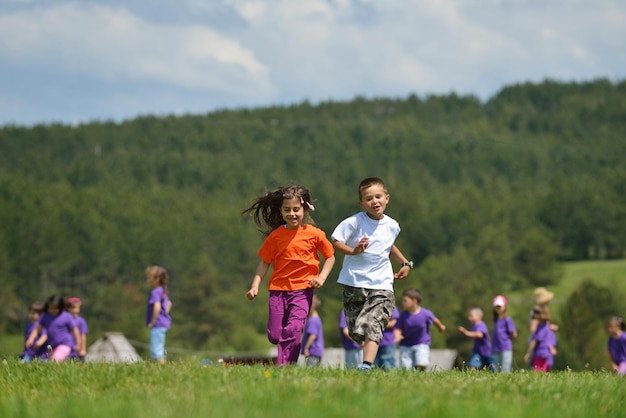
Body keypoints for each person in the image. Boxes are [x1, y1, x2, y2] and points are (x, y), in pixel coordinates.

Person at [244, 184, 335, 366]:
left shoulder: (314, 234)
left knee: (293, 328)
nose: (292, 214)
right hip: (278, 291)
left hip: (303, 290)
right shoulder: (276, 236)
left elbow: (330, 256)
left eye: (296, 209)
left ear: (305, 209)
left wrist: (321, 278)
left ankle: (285, 367)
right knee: (276, 335)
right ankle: (286, 356)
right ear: (281, 211)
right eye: (287, 210)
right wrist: (255, 285)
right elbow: (265, 263)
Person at [332, 177, 412, 372]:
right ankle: (368, 357)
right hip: (353, 281)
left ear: (387, 198)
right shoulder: (354, 222)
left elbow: (388, 245)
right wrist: (353, 251)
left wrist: (405, 262)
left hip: (382, 283)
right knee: (356, 330)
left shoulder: (392, 225)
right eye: (369, 199)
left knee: (372, 324)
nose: (374, 202)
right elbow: (335, 241)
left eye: (378, 197)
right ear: (361, 203)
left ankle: (366, 366)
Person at [394, 288, 446, 371]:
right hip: (406, 344)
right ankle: (410, 376)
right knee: (405, 367)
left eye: (405, 301)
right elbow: (397, 328)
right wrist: (397, 336)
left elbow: (435, 320)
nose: (402, 303)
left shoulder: (425, 313)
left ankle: (420, 372)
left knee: (421, 362)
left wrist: (441, 327)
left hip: (422, 343)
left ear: (414, 301)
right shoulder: (403, 316)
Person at [25, 295, 79, 362]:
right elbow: (37, 329)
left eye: (55, 308)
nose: (52, 310)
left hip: (64, 344)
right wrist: (31, 338)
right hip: (51, 346)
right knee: (51, 361)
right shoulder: (45, 316)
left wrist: (78, 344)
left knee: (55, 360)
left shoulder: (66, 316)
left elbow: (75, 330)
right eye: (50, 308)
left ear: (60, 307)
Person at [146, 265, 172, 364]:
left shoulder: (155, 292)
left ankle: (160, 367)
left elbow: (157, 306)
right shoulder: (162, 291)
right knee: (159, 347)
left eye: (150, 278)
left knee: (156, 350)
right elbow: (169, 304)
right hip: (164, 323)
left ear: (157, 279)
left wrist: (153, 321)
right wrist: (164, 315)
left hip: (158, 324)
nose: (148, 280)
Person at [458, 307, 495, 371]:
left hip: (486, 351)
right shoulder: (474, 326)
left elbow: (480, 335)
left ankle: (497, 373)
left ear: (479, 316)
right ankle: (472, 375)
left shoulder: (481, 325)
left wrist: (467, 333)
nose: (469, 318)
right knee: (473, 364)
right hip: (478, 351)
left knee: (492, 366)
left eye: (471, 316)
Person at [524, 304, 557, 372]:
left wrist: (528, 353)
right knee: (543, 373)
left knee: (538, 373)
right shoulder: (545, 326)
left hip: (540, 353)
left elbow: (534, 341)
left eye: (537, 313)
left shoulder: (542, 327)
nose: (535, 315)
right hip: (544, 353)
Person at [492, 295, 517, 373]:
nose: (498, 308)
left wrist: (506, 340)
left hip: (505, 347)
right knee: (496, 369)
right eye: (497, 306)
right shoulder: (496, 320)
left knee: (505, 369)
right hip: (496, 348)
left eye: (500, 306)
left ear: (504, 306)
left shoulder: (507, 319)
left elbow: (513, 333)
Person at [301, 295, 324, 367]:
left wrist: (306, 348)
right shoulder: (316, 319)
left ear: (312, 306)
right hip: (316, 351)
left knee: (310, 370)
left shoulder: (313, 320)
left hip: (312, 351)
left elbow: (313, 336)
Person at [375, 306, 400, 370]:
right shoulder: (372, 306)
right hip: (374, 341)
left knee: (388, 363)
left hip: (387, 341)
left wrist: (377, 325)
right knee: (376, 365)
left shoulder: (391, 306)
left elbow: (393, 322)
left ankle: (390, 378)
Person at [66, 297, 88, 361]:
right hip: (66, 349)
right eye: (73, 308)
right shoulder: (64, 320)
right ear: (68, 308)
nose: (76, 310)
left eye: (78, 308)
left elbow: (83, 336)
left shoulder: (81, 321)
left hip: (77, 352)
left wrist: (83, 349)